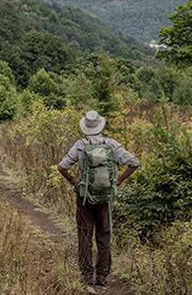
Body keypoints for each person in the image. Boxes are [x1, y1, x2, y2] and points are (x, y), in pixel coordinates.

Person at [58, 110, 139, 292]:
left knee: (85, 236)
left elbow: (62, 167)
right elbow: (134, 162)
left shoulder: (80, 145)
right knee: (104, 236)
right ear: (100, 126)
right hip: (105, 197)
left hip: (84, 197)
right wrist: (117, 181)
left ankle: (87, 277)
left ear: (85, 127)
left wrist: (74, 182)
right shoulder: (110, 144)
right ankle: (102, 277)